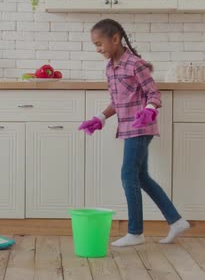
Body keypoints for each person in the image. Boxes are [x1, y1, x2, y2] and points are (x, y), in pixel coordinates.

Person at [80, 18, 190, 247]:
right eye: (95, 46)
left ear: (115, 39)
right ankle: (176, 220)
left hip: (140, 127)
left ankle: (135, 232)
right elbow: (116, 102)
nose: (98, 49)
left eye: (100, 44)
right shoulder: (110, 68)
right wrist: (99, 118)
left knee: (127, 175)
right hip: (127, 127)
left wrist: (150, 110)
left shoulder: (135, 64)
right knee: (141, 177)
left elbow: (154, 94)